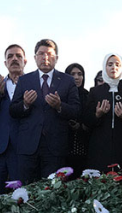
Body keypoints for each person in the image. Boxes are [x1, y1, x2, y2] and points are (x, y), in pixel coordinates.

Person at [10, 39, 80, 184]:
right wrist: (25, 104)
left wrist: (60, 106)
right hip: (28, 147)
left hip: (55, 148)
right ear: (35, 57)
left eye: (49, 54)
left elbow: (76, 111)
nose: (45, 57)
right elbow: (13, 110)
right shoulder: (24, 80)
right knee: (26, 191)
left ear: (57, 58)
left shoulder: (68, 81)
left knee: (52, 192)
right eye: (41, 54)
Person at [84, 54, 122, 172]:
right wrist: (98, 114)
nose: (114, 67)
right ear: (104, 67)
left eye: (117, 65)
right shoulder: (95, 92)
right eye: (110, 64)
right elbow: (86, 120)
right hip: (100, 146)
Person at [0, 45, 27, 194]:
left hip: (23, 148)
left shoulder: (33, 84)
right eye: (10, 56)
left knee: (21, 196)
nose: (14, 59)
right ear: (5, 63)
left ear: (25, 61)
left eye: (18, 56)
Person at [65, 63, 90, 176]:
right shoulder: (62, 95)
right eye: (72, 74)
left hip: (84, 146)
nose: (76, 77)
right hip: (65, 146)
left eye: (80, 74)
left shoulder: (88, 96)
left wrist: (81, 126)